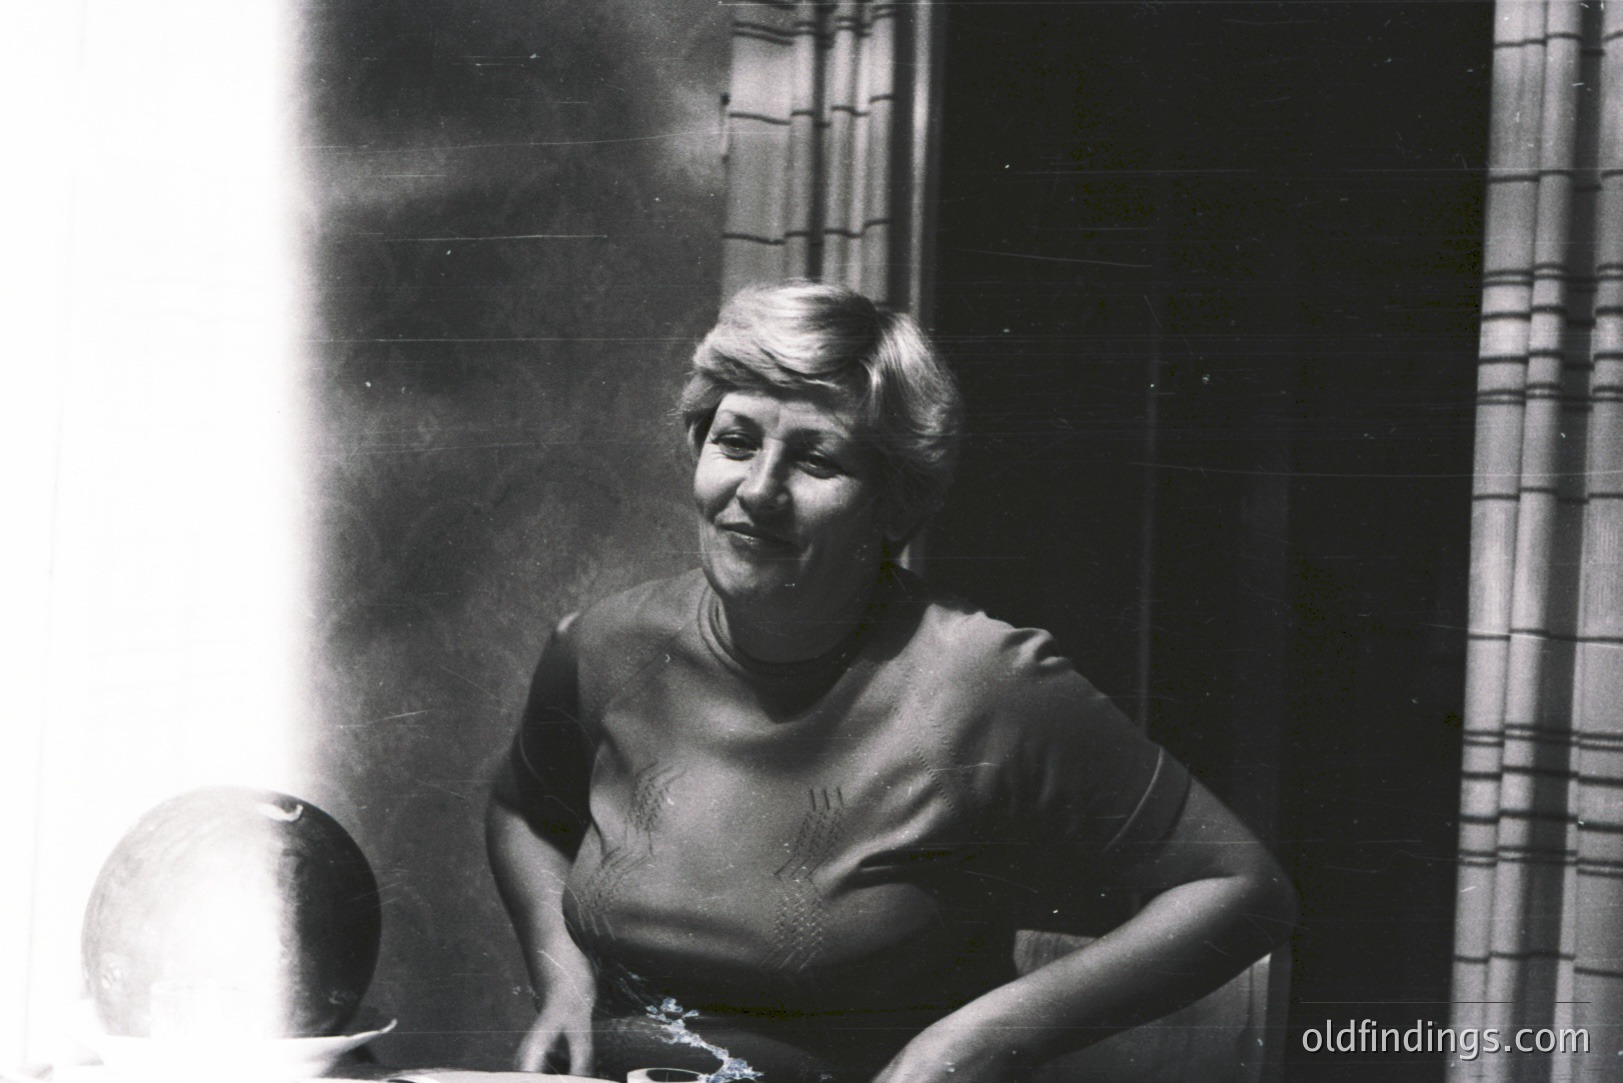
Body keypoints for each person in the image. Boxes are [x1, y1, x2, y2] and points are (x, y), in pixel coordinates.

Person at [486, 281, 1295, 1083]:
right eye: (734, 441)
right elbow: (524, 810)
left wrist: (972, 1040)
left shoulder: (987, 680)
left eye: (814, 459)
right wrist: (564, 981)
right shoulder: (601, 646)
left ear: (894, 501)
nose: (759, 490)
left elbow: (1241, 886)